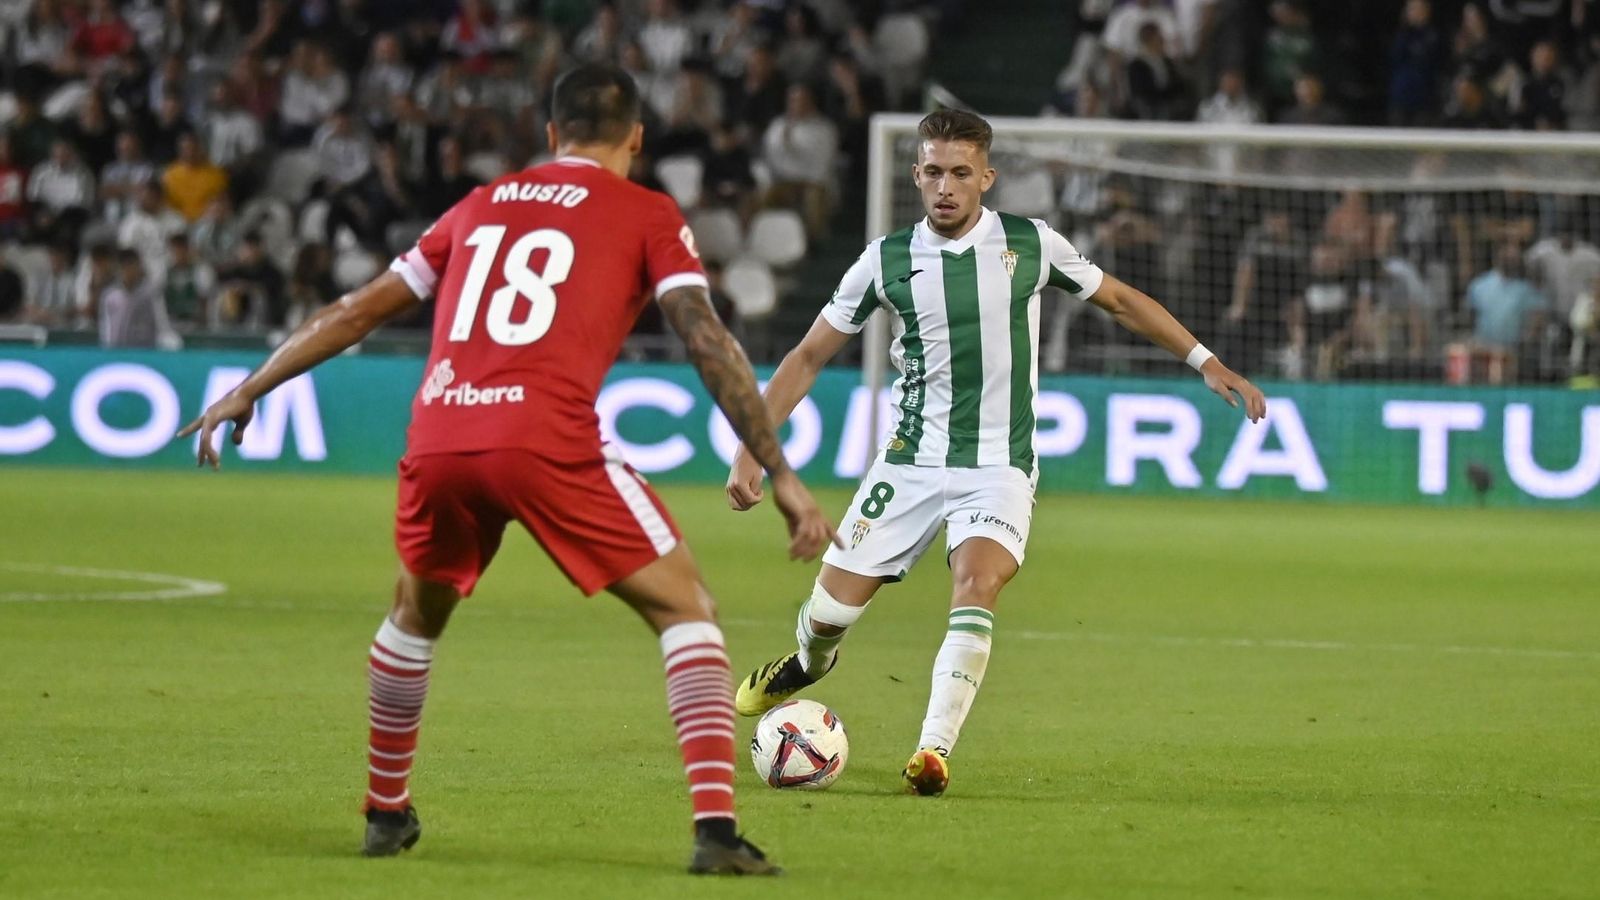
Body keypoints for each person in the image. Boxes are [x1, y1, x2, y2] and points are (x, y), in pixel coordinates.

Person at [178, 64, 836, 876]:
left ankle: (385, 812)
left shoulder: (480, 205)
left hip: (441, 433)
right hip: (545, 436)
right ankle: (716, 835)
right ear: (635, 137)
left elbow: (358, 309)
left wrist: (248, 388)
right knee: (687, 609)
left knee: (413, 616)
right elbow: (704, 336)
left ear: (552, 136)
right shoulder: (646, 211)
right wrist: (782, 472)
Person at [724, 110, 1265, 796]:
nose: (945, 187)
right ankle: (805, 665)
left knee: (977, 585)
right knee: (828, 619)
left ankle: (932, 750)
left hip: (998, 465)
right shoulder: (885, 261)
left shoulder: (1030, 245)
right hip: (909, 463)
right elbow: (805, 358)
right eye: (932, 172)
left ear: (987, 177)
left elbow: (1121, 301)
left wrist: (1205, 360)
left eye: (959, 173)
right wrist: (754, 451)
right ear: (916, 174)